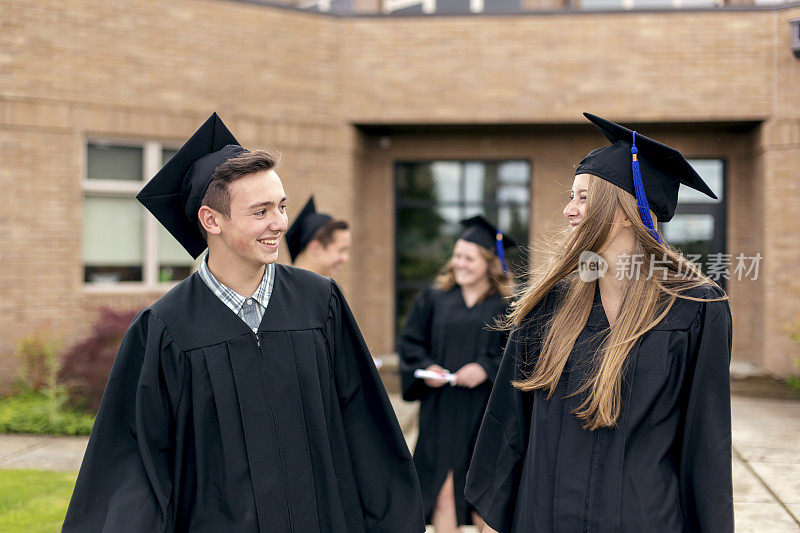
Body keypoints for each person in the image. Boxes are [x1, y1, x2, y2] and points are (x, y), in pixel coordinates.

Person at [63, 114, 424, 533]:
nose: (280, 224)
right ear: (212, 220)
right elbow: (136, 463)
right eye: (261, 211)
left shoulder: (319, 304)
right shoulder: (166, 329)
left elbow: (367, 430)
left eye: (282, 206)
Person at [466, 113, 734, 533]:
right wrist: (493, 513)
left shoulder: (694, 307)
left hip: (644, 520)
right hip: (546, 516)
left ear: (626, 211)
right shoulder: (549, 303)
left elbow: (706, 442)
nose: (569, 210)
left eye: (584, 198)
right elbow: (509, 417)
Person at [399, 216, 516, 533]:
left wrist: (486, 368)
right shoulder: (433, 299)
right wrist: (426, 369)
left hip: (485, 413)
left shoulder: (507, 305)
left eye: (468, 257)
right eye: (457, 255)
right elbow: (411, 345)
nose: (459, 263)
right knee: (444, 494)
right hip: (442, 410)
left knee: (485, 502)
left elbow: (519, 354)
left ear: (488, 262)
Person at [286, 196, 351, 278]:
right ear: (316, 247)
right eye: (341, 250)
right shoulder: (287, 289)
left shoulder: (328, 289)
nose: (345, 258)